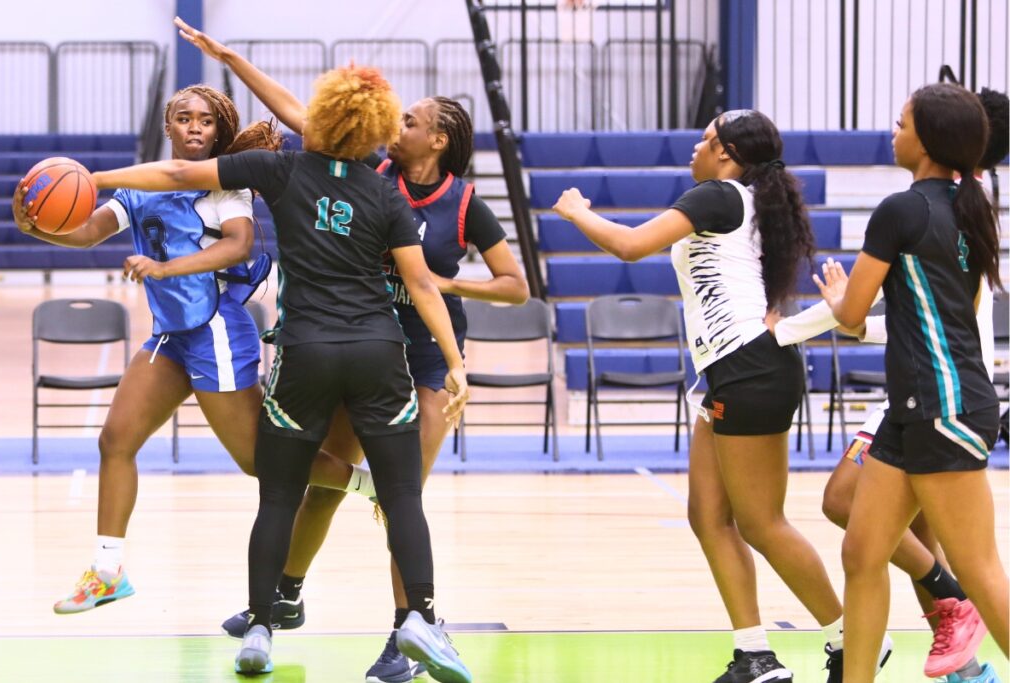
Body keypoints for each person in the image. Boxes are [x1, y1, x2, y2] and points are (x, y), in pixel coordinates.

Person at [86, 64, 473, 682]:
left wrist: (96, 175)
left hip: (306, 352)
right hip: (379, 352)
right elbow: (423, 284)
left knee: (278, 493)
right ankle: (420, 618)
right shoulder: (384, 192)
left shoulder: (283, 170)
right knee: (402, 497)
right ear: (370, 131)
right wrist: (455, 364)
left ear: (323, 119)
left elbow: (181, 173)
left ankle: (262, 627)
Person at [173, 17, 527, 682]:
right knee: (320, 485)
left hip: (416, 355)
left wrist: (434, 280)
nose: (403, 121)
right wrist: (230, 58)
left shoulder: (463, 205)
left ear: (439, 138)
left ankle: (409, 631)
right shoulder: (373, 168)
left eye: (416, 118)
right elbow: (294, 111)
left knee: (401, 498)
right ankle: (284, 595)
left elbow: (514, 284)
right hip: (354, 340)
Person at [553, 109, 884, 683]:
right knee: (706, 515)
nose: (694, 150)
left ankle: (848, 636)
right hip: (730, 372)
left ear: (728, 155)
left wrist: (579, 211)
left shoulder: (719, 196)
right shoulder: (743, 202)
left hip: (750, 371)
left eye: (706, 141)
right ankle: (755, 655)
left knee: (761, 522)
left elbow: (631, 247)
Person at [11, 85, 335, 614]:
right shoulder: (142, 186)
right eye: (183, 118)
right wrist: (39, 226)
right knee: (116, 439)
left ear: (217, 132)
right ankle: (108, 570)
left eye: (205, 121)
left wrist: (163, 268)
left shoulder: (229, 185)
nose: (193, 128)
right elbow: (89, 230)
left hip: (215, 332)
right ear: (169, 127)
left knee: (260, 462)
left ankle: (371, 485)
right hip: (171, 335)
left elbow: (239, 245)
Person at [768, 86, 1008, 683]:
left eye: (901, 124)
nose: (893, 133)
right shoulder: (967, 204)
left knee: (977, 570)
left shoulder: (902, 209)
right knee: (862, 551)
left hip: (942, 406)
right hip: (916, 406)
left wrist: (832, 299)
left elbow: (851, 314)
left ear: (924, 140)